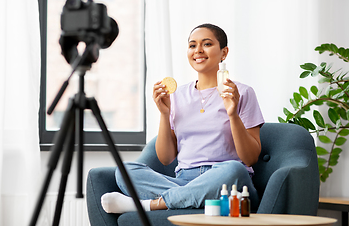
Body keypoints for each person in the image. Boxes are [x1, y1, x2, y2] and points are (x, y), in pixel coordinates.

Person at [101, 23, 264, 214]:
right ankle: (195, 198)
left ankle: (152, 204)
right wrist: (163, 113)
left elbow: (250, 158)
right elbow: (166, 158)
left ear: (224, 52)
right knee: (125, 171)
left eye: (207, 44)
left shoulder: (242, 93)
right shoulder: (177, 96)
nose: (198, 51)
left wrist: (232, 114)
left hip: (225, 181)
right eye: (192, 45)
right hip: (183, 179)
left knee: (234, 170)